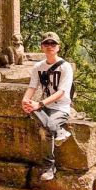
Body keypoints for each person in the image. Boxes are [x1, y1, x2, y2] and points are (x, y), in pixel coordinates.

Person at [21, 31, 74, 181]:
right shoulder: (38, 67)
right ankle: (60, 132)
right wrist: (25, 101)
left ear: (58, 47)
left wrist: (40, 103)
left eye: (53, 44)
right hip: (44, 107)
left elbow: (62, 92)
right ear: (42, 47)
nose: (50, 46)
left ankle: (49, 167)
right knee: (32, 111)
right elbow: (32, 87)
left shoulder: (65, 67)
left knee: (48, 127)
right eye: (46, 44)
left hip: (60, 107)